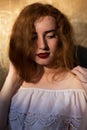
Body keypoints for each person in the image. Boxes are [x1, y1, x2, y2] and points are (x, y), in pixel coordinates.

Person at [0, 2, 87, 130]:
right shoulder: (18, 82)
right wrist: (10, 80)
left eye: (50, 36)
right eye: (33, 37)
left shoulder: (77, 86)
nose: (42, 46)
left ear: (61, 38)